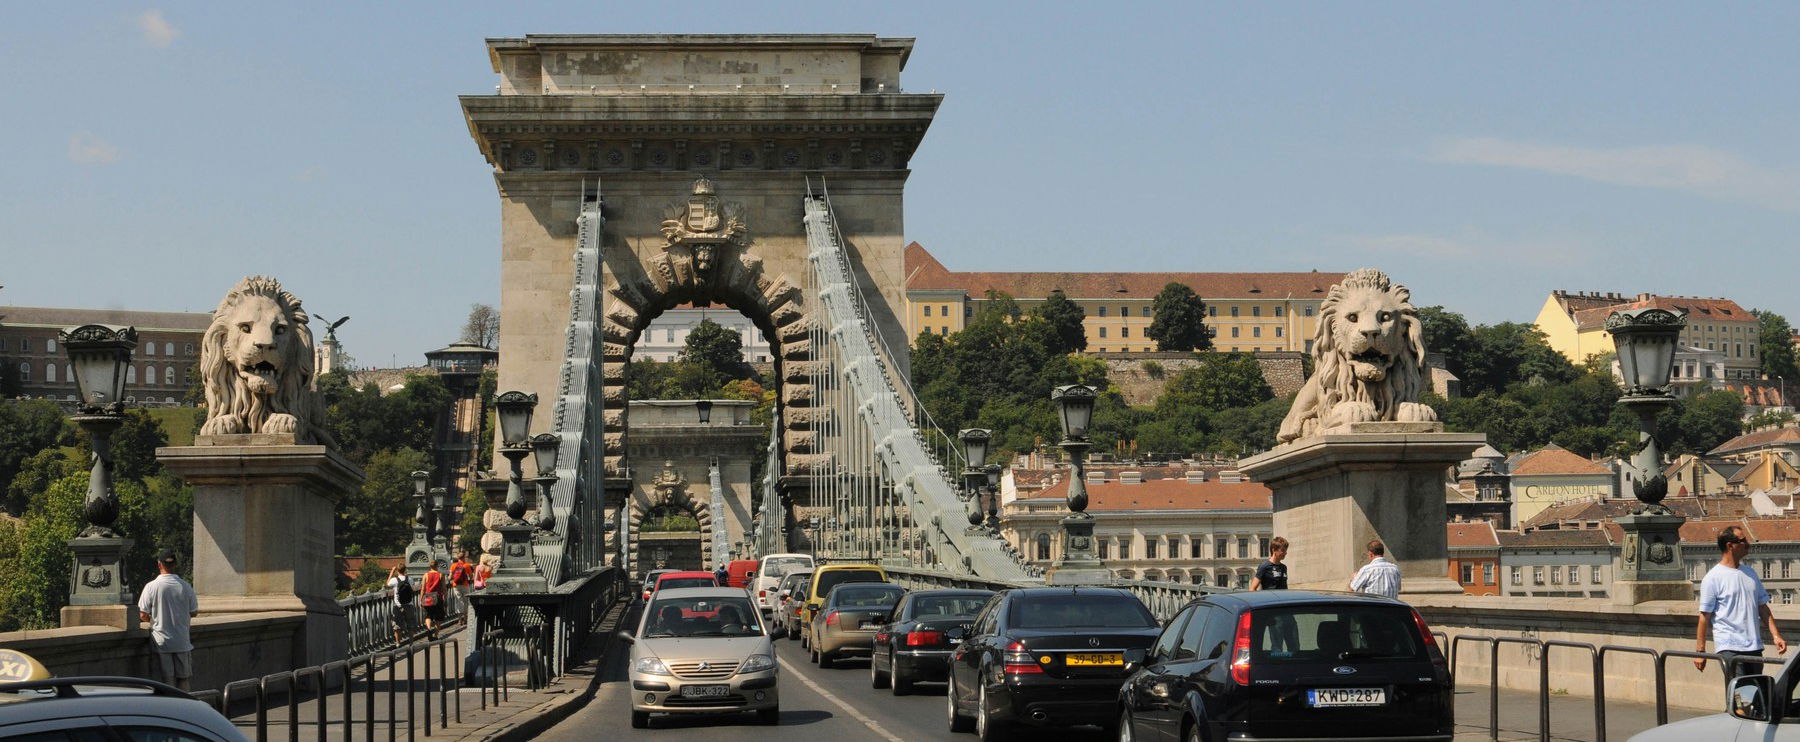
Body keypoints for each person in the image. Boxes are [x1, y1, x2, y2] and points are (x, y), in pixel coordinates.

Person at [1695, 525, 1788, 681]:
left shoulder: (1750, 573)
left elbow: (1763, 608)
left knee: (1755, 696)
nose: (1747, 543)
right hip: (1729, 648)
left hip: (1754, 646)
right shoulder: (1713, 578)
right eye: (1742, 540)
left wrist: (1776, 636)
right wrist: (1700, 652)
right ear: (1730, 546)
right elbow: (1704, 616)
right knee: (1740, 695)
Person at [137, 548, 200, 690]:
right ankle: (185, 709)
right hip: (182, 640)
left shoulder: (151, 587)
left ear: (159, 564)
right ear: (175, 564)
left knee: (168, 680)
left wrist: (155, 620)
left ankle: (170, 708)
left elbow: (142, 614)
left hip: (161, 641)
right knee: (183, 679)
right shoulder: (186, 586)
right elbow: (194, 612)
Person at [420, 559, 449, 638]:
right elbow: (444, 588)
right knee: (438, 618)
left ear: (430, 566)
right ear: (437, 566)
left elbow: (423, 588)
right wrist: (445, 599)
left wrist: (421, 599)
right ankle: (436, 635)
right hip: (438, 598)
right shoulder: (440, 575)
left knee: (428, 616)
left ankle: (429, 629)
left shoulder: (425, 575)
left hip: (427, 598)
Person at [387, 564, 414, 645]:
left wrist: (392, 571)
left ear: (397, 570)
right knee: (410, 624)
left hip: (398, 605)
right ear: (405, 570)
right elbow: (412, 586)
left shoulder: (394, 580)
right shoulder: (409, 578)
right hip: (409, 604)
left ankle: (398, 643)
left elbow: (387, 583)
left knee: (397, 625)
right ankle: (411, 643)